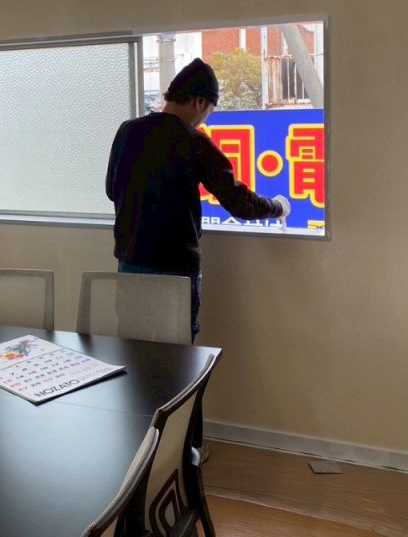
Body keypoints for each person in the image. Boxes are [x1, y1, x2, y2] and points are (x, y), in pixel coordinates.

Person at [106, 57, 289, 340]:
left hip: (130, 262)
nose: (205, 119)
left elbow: (111, 190)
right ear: (199, 102)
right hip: (175, 270)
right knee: (176, 352)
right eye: (209, 111)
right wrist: (279, 207)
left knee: (132, 347)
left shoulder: (127, 131)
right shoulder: (193, 141)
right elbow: (240, 202)